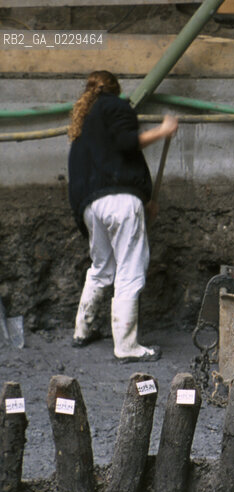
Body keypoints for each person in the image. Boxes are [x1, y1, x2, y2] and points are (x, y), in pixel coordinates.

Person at [68, 70, 177, 362]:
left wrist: (143, 200)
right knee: (130, 268)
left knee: (102, 266)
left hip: (92, 205)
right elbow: (128, 142)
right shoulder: (115, 106)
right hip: (120, 201)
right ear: (116, 89)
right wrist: (163, 130)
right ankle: (127, 347)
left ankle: (83, 330)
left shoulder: (84, 121)